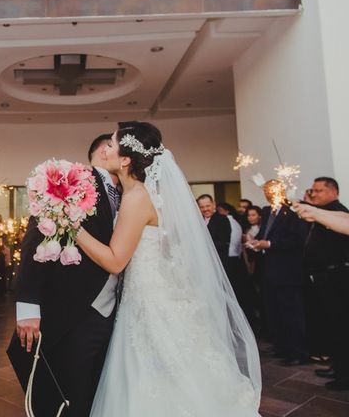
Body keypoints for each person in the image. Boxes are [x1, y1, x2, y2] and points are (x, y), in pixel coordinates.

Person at [76, 121, 261, 416]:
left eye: (111, 144)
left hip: (148, 302)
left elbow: (115, 260)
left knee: (154, 377)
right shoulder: (147, 194)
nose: (105, 149)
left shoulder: (136, 197)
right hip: (155, 291)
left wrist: (73, 228)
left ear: (125, 159)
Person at [7, 132, 118, 417]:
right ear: (106, 151)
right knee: (68, 391)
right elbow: (36, 238)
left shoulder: (133, 193)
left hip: (113, 312)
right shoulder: (71, 177)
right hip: (71, 308)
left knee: (95, 390)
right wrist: (27, 305)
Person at [249, 180, 308, 366]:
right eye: (266, 190)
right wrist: (255, 242)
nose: (268, 193)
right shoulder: (267, 211)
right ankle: (282, 347)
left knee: (291, 313)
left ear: (281, 190)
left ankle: (299, 352)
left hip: (287, 271)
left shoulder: (292, 210)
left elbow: (298, 240)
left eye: (271, 190)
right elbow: (265, 235)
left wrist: (271, 245)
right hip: (268, 270)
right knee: (274, 312)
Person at [301, 177, 349, 390]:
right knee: (331, 325)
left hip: (337, 278)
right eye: (313, 191)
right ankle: (337, 367)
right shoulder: (319, 213)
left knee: (341, 327)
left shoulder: (337, 212)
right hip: (324, 278)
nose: (314, 194)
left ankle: (345, 375)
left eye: (319, 191)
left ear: (333, 191)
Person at [197, 194, 231, 266]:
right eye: (202, 207)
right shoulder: (197, 221)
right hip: (201, 262)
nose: (205, 209)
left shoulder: (222, 219)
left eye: (207, 206)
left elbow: (222, 242)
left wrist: (200, 245)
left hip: (218, 262)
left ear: (214, 205)